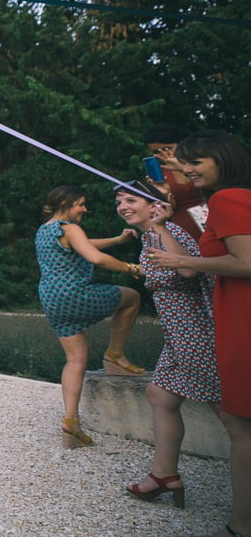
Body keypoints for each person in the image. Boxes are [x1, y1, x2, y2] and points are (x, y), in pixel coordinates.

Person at [146, 131, 251, 537]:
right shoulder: (236, 196)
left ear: (222, 159)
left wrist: (178, 258)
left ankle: (241, 526)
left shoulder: (228, 199)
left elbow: (246, 262)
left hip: (242, 315)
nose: (187, 169)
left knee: (241, 427)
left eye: (196, 162)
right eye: (183, 163)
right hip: (234, 311)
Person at [115, 182, 219, 508]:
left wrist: (160, 225)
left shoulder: (166, 230)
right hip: (178, 337)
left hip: (199, 335)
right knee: (159, 394)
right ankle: (165, 475)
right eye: (119, 202)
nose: (123, 207)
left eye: (131, 200)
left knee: (233, 416)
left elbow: (188, 269)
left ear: (155, 206)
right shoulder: (151, 236)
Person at [35, 185, 144, 448]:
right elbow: (94, 257)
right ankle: (115, 356)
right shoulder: (69, 228)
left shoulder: (43, 230)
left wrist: (118, 240)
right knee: (131, 298)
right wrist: (132, 267)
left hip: (51, 299)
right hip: (75, 294)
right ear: (65, 203)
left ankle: (71, 423)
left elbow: (84, 244)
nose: (84, 209)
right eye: (80, 204)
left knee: (75, 359)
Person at [143, 123, 207, 240]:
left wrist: (181, 167)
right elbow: (170, 209)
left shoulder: (200, 162)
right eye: (156, 151)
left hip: (210, 216)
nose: (162, 154)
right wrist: (165, 193)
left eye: (167, 149)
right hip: (183, 225)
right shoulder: (160, 173)